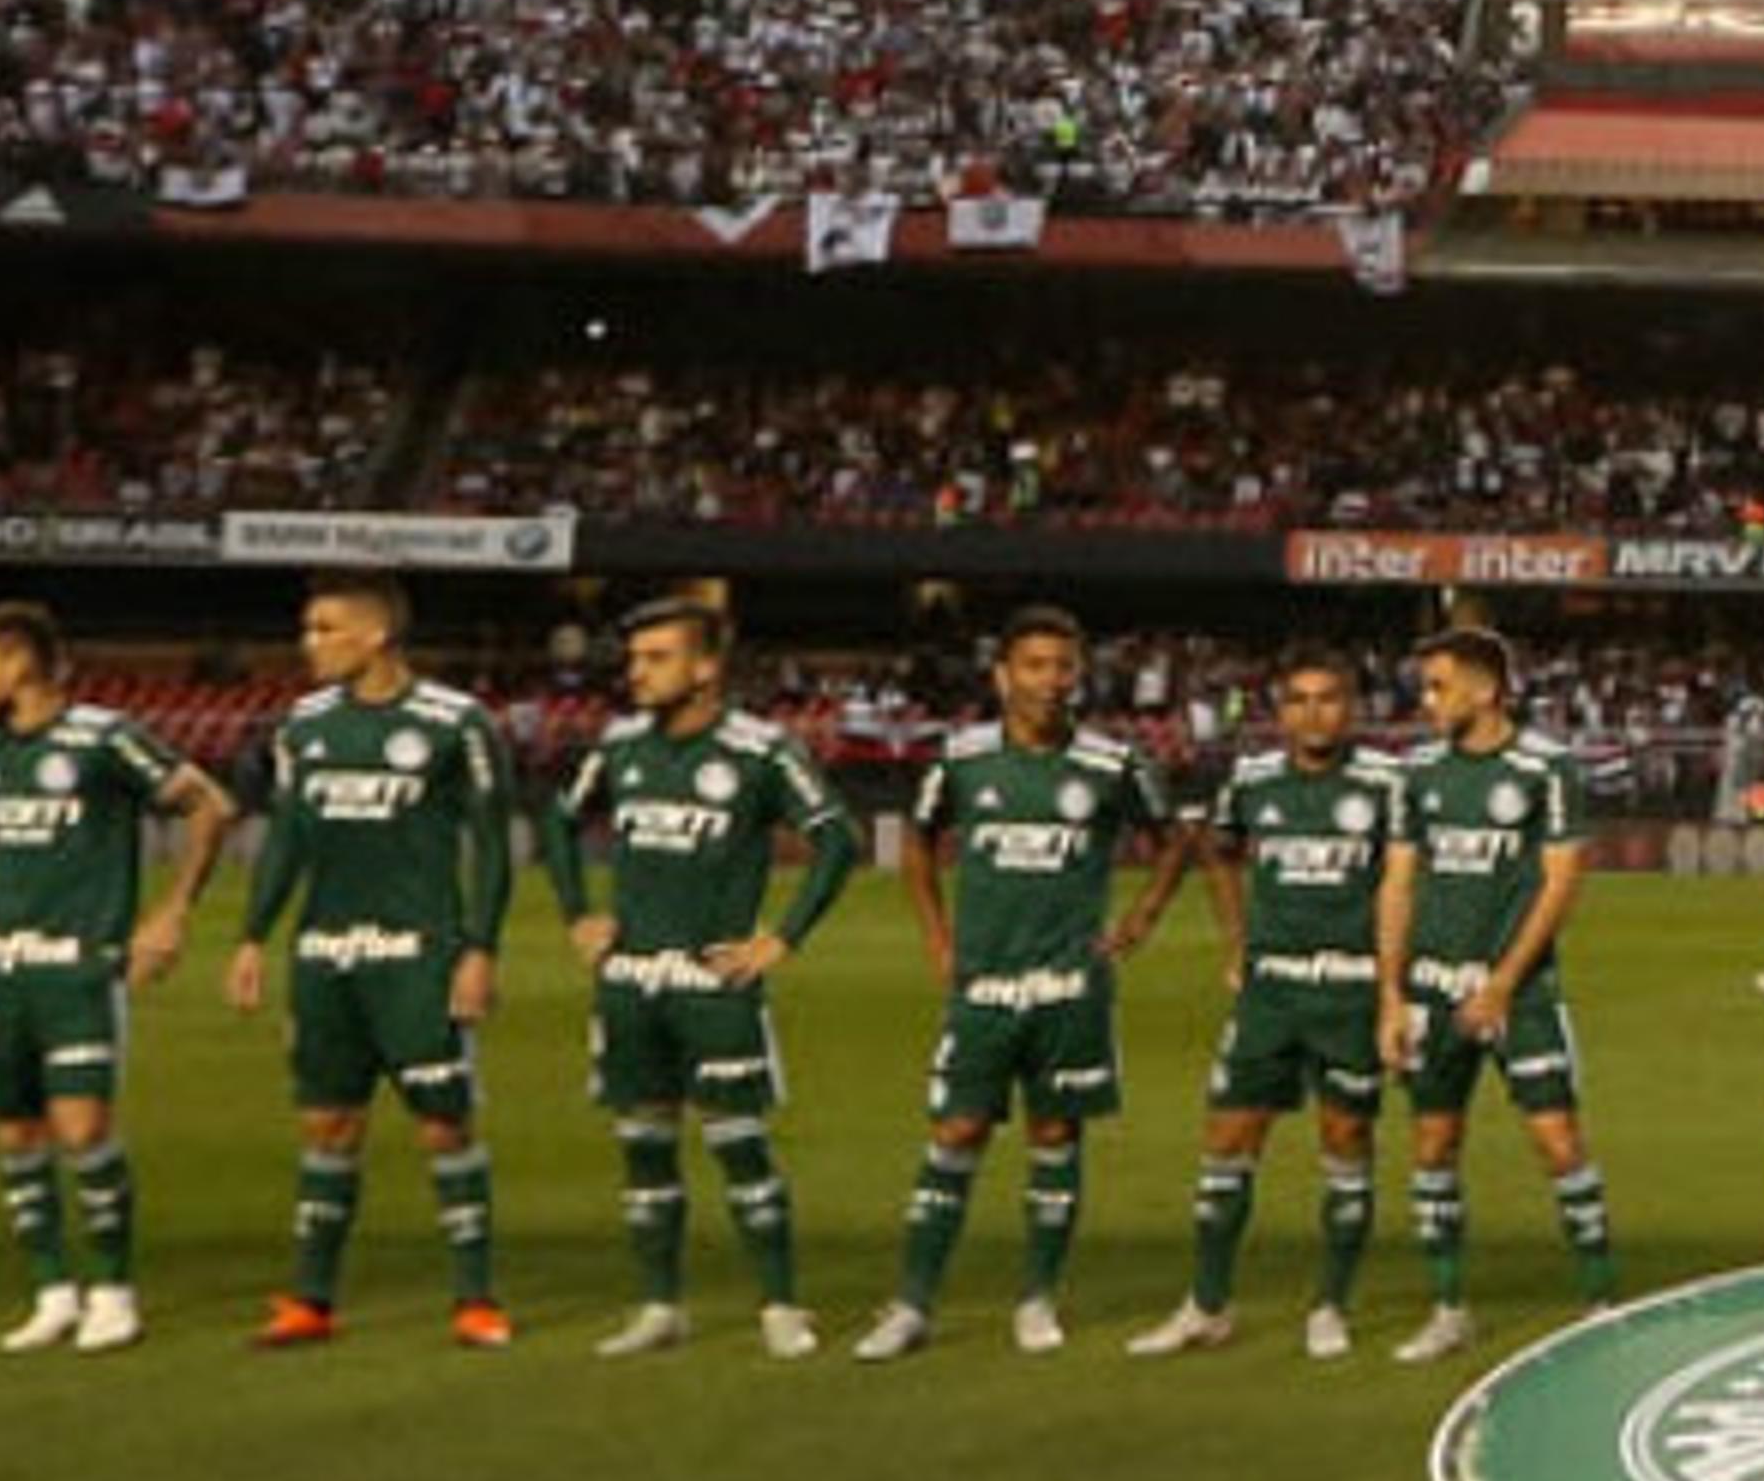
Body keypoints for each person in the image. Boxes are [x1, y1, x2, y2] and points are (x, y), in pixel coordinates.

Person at [539, 597, 861, 1359]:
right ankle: (660, 1307)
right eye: (635, 659)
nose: (637, 673)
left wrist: (780, 939)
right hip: (631, 980)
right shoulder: (618, 747)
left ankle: (781, 1307)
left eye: (657, 658)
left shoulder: (760, 751)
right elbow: (557, 821)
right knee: (643, 1145)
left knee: (738, 1144)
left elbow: (836, 838)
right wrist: (580, 912)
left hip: (713, 984)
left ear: (706, 666)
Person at [856, 605, 1180, 1361]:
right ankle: (910, 1305)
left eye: (1064, 666)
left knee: (1055, 1133)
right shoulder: (963, 760)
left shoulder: (1113, 764)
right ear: (1003, 676)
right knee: (957, 1131)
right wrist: (938, 937)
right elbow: (919, 840)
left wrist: (1140, 920)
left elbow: (1173, 841)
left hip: (1070, 985)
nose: (1050, 681)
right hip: (985, 985)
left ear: (1080, 675)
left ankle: (1036, 1299)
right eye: (1034, 665)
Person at [226, 575, 519, 1348]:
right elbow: (288, 837)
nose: (309, 643)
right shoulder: (303, 725)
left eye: (325, 628)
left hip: (418, 955)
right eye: (308, 628)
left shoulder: (457, 723)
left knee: (444, 1126)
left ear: (376, 635)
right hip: (326, 954)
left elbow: (492, 846)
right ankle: (310, 1300)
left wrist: (480, 950)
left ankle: (476, 1299)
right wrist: (254, 935)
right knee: (328, 1123)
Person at [0, 601, 236, 1356]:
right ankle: (51, 1293)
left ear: (19, 664)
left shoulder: (104, 739)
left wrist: (169, 915)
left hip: (79, 968)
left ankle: (112, 1291)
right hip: (2, 973)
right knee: (14, 1131)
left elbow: (209, 805)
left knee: (83, 1127)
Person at [1132, 643, 1399, 1360]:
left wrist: (1394, 986)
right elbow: (1216, 850)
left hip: (1349, 991)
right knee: (1227, 1142)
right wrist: (1236, 943)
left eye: (1329, 698)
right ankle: (1207, 1306)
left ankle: (1330, 1306)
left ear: (1353, 709)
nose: (1314, 712)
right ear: (1280, 713)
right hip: (1271, 993)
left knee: (1345, 1145)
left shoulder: (1386, 783)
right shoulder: (1252, 780)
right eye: (1299, 699)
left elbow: (1412, 881)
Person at [1377, 625, 1615, 1364]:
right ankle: (1450, 1309)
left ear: (1485, 689)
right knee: (1434, 1144)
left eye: (1440, 685)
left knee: (1558, 1142)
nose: (1427, 700)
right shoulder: (1415, 773)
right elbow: (1397, 882)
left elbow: (1561, 883)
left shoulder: (1546, 769)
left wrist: (1505, 983)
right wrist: (1389, 995)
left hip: (1522, 993)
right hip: (1431, 993)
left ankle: (1602, 1303)